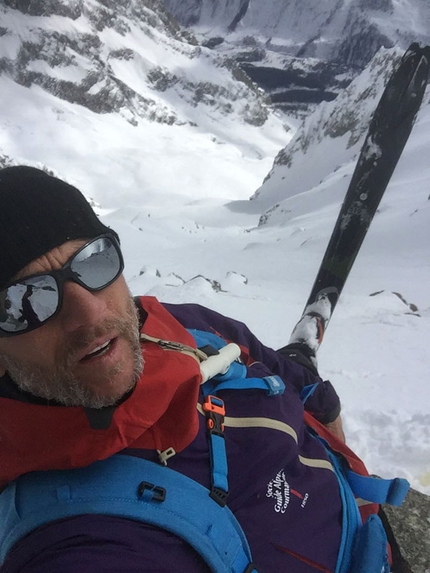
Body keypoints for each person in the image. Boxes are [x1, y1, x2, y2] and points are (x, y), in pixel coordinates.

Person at [0, 166, 404, 573]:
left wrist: (326, 412)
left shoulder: (182, 325)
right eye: (27, 301)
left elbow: (289, 376)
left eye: (93, 261)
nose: (89, 313)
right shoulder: (76, 540)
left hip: (369, 531)